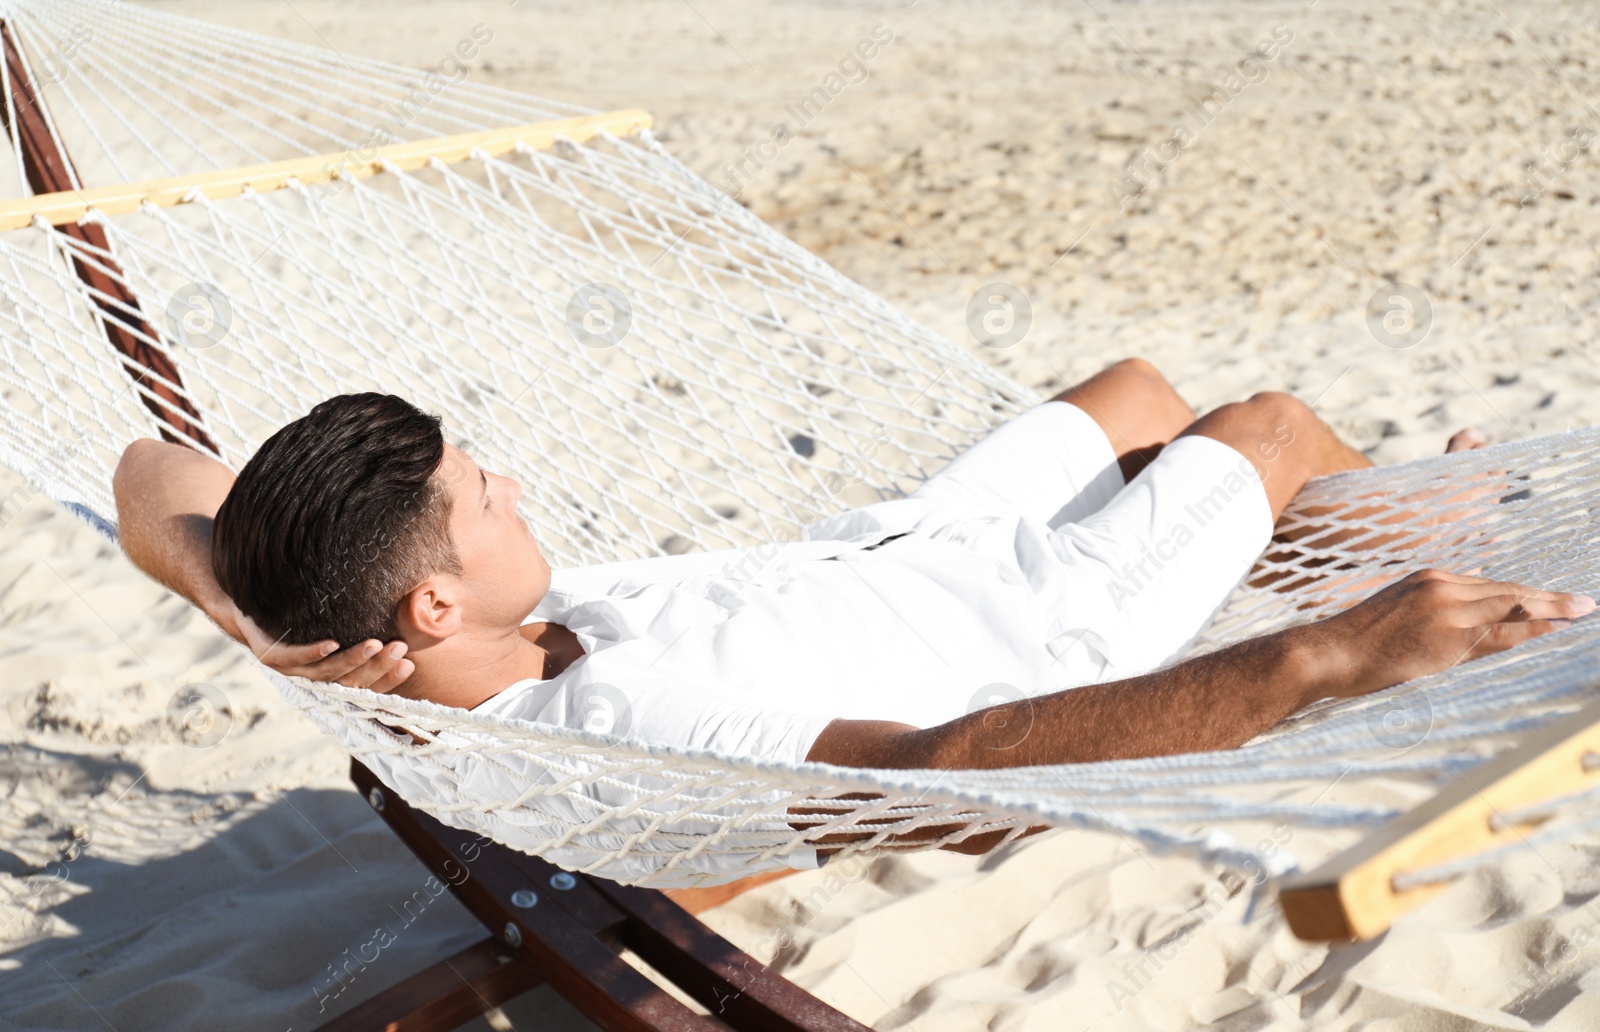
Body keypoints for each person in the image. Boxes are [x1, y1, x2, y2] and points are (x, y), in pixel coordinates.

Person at [114, 359, 1593, 777]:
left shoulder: (399, 622)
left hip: (896, 554)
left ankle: (1388, 524)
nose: (509, 484)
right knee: (1258, 429)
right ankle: (1439, 540)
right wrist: (1325, 654)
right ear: (431, 601)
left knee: (1138, 396)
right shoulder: (625, 724)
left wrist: (240, 605)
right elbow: (944, 756)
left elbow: (146, 476)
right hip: (1041, 628)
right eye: (479, 495)